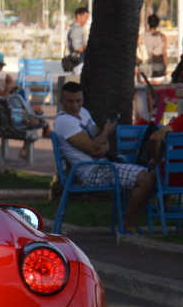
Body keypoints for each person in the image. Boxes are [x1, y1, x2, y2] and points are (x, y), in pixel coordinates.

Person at [53, 81, 155, 231]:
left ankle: (130, 221)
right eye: (70, 101)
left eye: (78, 101)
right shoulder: (64, 121)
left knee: (152, 175)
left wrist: (102, 143)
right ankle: (128, 224)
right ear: (61, 101)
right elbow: (93, 146)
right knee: (145, 179)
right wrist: (106, 133)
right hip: (91, 172)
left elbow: (99, 139)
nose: (75, 106)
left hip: (104, 164)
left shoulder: (83, 112)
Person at [141, 14, 168, 79]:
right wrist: (166, 67)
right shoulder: (162, 37)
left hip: (144, 68)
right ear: (157, 24)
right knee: (157, 88)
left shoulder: (142, 37)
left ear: (148, 23)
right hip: (159, 67)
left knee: (145, 88)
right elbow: (164, 53)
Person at [63, 7, 89, 73]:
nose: (87, 19)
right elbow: (78, 48)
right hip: (79, 63)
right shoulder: (77, 29)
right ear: (78, 16)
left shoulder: (74, 28)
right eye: (85, 17)